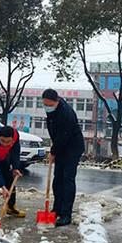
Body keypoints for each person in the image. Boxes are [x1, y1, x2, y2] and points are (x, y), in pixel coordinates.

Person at [42, 89, 85, 227]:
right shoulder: (52, 110)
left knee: (67, 179)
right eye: (45, 104)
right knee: (58, 179)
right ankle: (57, 208)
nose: (47, 107)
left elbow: (63, 136)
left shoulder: (66, 113)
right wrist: (55, 149)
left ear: (57, 101)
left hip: (72, 148)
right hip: (61, 147)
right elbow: (54, 131)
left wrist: (53, 152)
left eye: (49, 104)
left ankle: (66, 214)